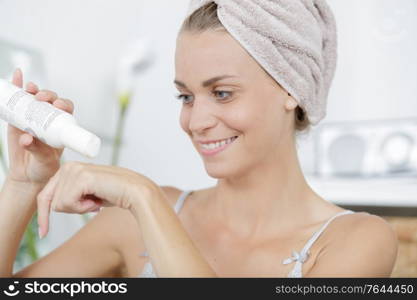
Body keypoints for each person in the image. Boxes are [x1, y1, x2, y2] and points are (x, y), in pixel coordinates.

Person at [0, 0, 398, 278]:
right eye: (186, 96)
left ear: (289, 88)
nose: (195, 121)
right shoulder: (129, 222)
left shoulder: (357, 242)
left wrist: (145, 196)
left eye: (222, 93)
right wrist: (22, 185)